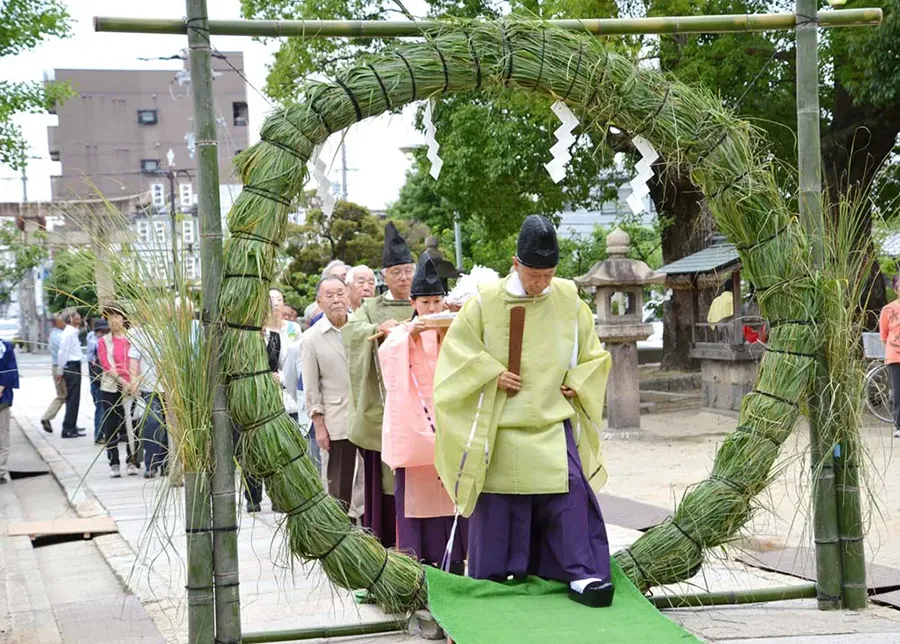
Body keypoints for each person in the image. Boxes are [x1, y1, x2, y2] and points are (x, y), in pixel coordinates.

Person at [434, 215, 615, 608]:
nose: (542, 284)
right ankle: (491, 580)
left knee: (569, 501)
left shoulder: (567, 297)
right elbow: (455, 358)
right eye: (535, 275)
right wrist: (491, 374)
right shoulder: (485, 302)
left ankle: (581, 575)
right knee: (498, 508)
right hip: (503, 425)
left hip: (552, 422)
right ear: (516, 264)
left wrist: (578, 381)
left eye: (549, 275)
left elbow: (594, 353)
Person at [380, 257, 466, 571]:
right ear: (413, 302)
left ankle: (456, 557)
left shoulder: (455, 330)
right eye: (425, 302)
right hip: (418, 426)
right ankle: (419, 558)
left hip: (449, 424)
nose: (431, 308)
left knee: (453, 491)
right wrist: (410, 334)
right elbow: (387, 359)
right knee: (419, 494)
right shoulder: (402, 332)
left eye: (436, 300)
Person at [343, 222, 415, 547]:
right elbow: (352, 333)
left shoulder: (423, 301)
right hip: (384, 410)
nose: (403, 278)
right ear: (384, 275)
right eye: (396, 271)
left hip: (421, 408)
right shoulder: (370, 307)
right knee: (386, 485)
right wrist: (376, 328)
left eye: (408, 270)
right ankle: (385, 548)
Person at [301, 277, 355, 510]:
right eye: (329, 296)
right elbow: (311, 388)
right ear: (319, 302)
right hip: (336, 418)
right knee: (339, 481)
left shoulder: (360, 327)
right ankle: (342, 528)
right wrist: (319, 426)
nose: (336, 300)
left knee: (367, 481)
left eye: (340, 294)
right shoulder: (311, 338)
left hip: (366, 415)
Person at [97, 304, 137, 477]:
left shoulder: (134, 338)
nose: (113, 320)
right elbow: (105, 364)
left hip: (133, 385)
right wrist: (122, 381)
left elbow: (138, 361)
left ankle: (132, 460)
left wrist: (132, 383)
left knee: (132, 425)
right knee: (112, 425)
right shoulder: (103, 341)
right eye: (110, 317)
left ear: (123, 318)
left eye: (116, 316)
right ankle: (114, 462)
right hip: (111, 387)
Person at [128, 319, 168, 478]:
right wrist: (134, 381)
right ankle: (151, 462)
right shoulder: (141, 335)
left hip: (171, 389)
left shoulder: (170, 331)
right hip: (149, 388)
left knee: (168, 428)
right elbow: (133, 360)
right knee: (153, 422)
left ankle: (166, 463)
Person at [57, 308, 86, 438]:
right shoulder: (69, 333)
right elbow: (62, 352)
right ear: (71, 318)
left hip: (74, 366)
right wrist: (60, 370)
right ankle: (68, 428)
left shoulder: (73, 332)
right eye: (77, 315)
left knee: (74, 398)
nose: (79, 317)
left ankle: (72, 425)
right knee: (73, 398)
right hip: (71, 366)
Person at [880, 274, 900, 439]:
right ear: (895, 288)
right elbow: (884, 335)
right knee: (898, 391)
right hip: (895, 355)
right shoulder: (888, 309)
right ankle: (899, 424)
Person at [40, 315, 66, 434]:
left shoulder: (53, 334)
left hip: (56, 366)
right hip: (59, 367)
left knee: (63, 395)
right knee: (63, 395)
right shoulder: (60, 336)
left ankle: (69, 423)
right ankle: (47, 417)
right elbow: (62, 354)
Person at [0, 337, 20, 484]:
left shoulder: (5, 346)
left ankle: (0, 471)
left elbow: (11, 369)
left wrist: (2, 387)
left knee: (2, 436)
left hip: (2, 397)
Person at [87, 318, 109, 443]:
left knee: (101, 406)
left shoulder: (92, 338)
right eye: (103, 331)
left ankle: (101, 433)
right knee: (100, 406)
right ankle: (99, 434)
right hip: (98, 378)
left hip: (97, 377)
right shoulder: (95, 341)